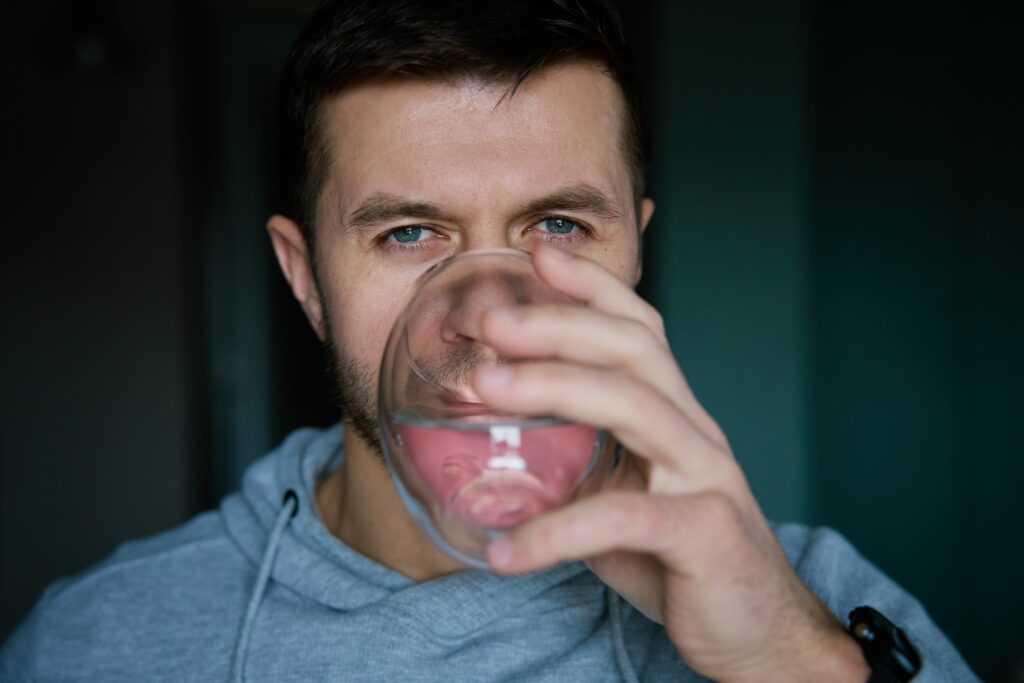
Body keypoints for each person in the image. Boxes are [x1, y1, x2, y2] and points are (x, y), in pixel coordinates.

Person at [0, 1, 978, 681]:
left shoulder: (816, 604)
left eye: (556, 225)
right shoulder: (96, 639)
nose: (484, 318)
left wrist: (786, 657)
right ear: (304, 277)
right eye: (409, 233)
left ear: (634, 249)